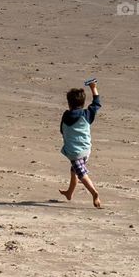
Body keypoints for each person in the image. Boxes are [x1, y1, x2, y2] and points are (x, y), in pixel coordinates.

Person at [59, 80, 102, 208]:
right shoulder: (86, 114)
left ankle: (94, 193)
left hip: (74, 152)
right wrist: (93, 87)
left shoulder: (66, 115)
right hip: (86, 149)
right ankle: (69, 193)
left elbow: (62, 129)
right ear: (83, 103)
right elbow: (96, 103)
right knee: (74, 171)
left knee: (81, 173)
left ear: (69, 103)